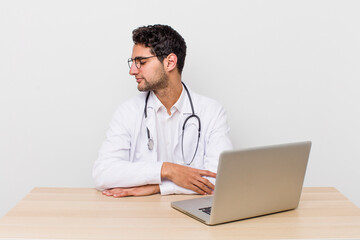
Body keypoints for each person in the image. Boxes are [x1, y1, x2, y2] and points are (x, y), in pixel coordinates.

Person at [93, 24, 232, 197]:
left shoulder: (211, 111)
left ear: (170, 62)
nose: (132, 71)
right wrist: (167, 170)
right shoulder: (128, 111)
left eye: (141, 62)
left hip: (193, 218)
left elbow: (220, 179)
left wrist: (159, 187)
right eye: (133, 63)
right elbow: (103, 173)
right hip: (142, 217)